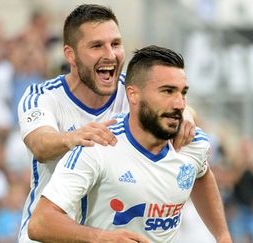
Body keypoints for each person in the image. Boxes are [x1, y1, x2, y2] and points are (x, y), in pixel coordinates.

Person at [17, 4, 195, 242]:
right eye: (96, 46)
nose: (110, 55)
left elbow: (177, 106)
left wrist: (188, 114)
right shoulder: (43, 97)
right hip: (49, 233)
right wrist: (71, 138)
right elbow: (40, 144)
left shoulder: (133, 92)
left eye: (116, 44)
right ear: (70, 54)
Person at [28, 45, 232, 243]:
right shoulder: (98, 147)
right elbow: (39, 222)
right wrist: (102, 238)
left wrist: (222, 236)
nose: (179, 103)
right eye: (167, 91)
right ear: (134, 95)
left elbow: (202, 174)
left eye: (182, 93)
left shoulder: (191, 143)